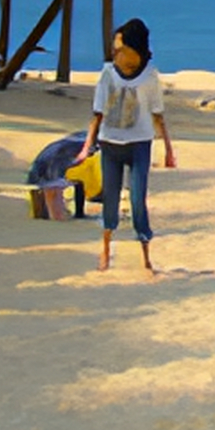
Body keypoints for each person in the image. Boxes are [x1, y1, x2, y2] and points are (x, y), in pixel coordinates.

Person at [74, 18, 176, 272]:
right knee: (110, 199)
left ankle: (145, 256)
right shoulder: (108, 73)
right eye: (114, 48)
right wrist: (86, 146)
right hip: (110, 144)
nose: (115, 51)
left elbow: (157, 114)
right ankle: (106, 251)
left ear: (134, 47)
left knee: (137, 200)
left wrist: (169, 150)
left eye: (120, 47)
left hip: (140, 144)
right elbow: (97, 113)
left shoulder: (150, 75)